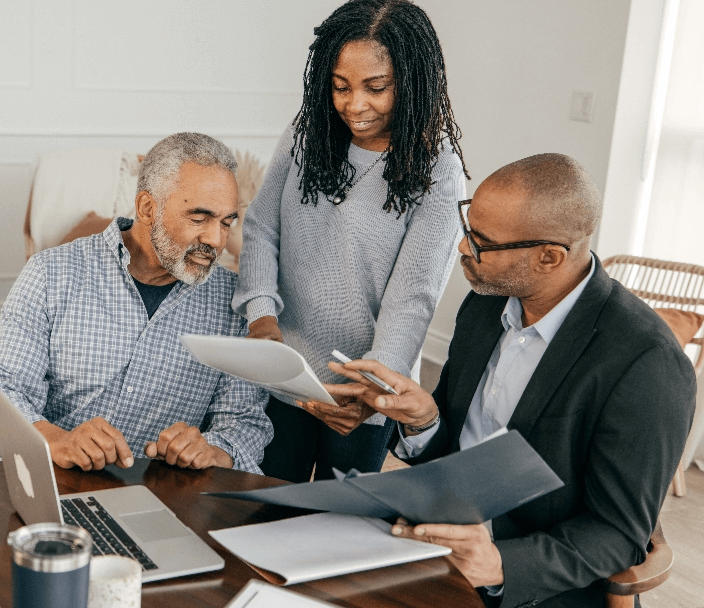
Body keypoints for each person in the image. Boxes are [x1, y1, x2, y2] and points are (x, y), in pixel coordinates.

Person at [304, 153, 696, 607]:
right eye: (466, 227)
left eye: (481, 241)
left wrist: (497, 565)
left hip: (531, 584)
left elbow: (619, 533)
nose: (462, 248)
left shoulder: (646, 362)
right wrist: (422, 421)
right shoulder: (486, 307)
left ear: (549, 257)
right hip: (432, 544)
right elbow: (458, 458)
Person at [232, 0, 469, 483]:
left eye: (375, 88)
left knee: (338, 526)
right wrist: (261, 319)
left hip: (360, 390)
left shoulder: (437, 168)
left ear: (412, 81)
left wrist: (373, 391)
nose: (354, 105)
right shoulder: (307, 134)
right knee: (269, 508)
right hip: (286, 372)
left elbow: (413, 298)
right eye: (340, 87)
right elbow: (260, 226)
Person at [0, 133, 273, 474]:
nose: (216, 240)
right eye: (199, 219)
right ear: (147, 208)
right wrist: (55, 439)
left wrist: (213, 450)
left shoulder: (236, 305)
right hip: (54, 479)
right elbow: (5, 387)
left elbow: (245, 422)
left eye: (226, 222)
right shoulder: (51, 274)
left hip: (166, 495)